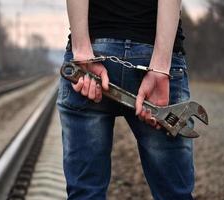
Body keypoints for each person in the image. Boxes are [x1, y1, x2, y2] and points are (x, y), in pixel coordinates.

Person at [57, 0, 194, 199]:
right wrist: (160, 67)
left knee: (85, 193)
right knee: (174, 194)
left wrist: (82, 51)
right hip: (155, 56)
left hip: (93, 55)